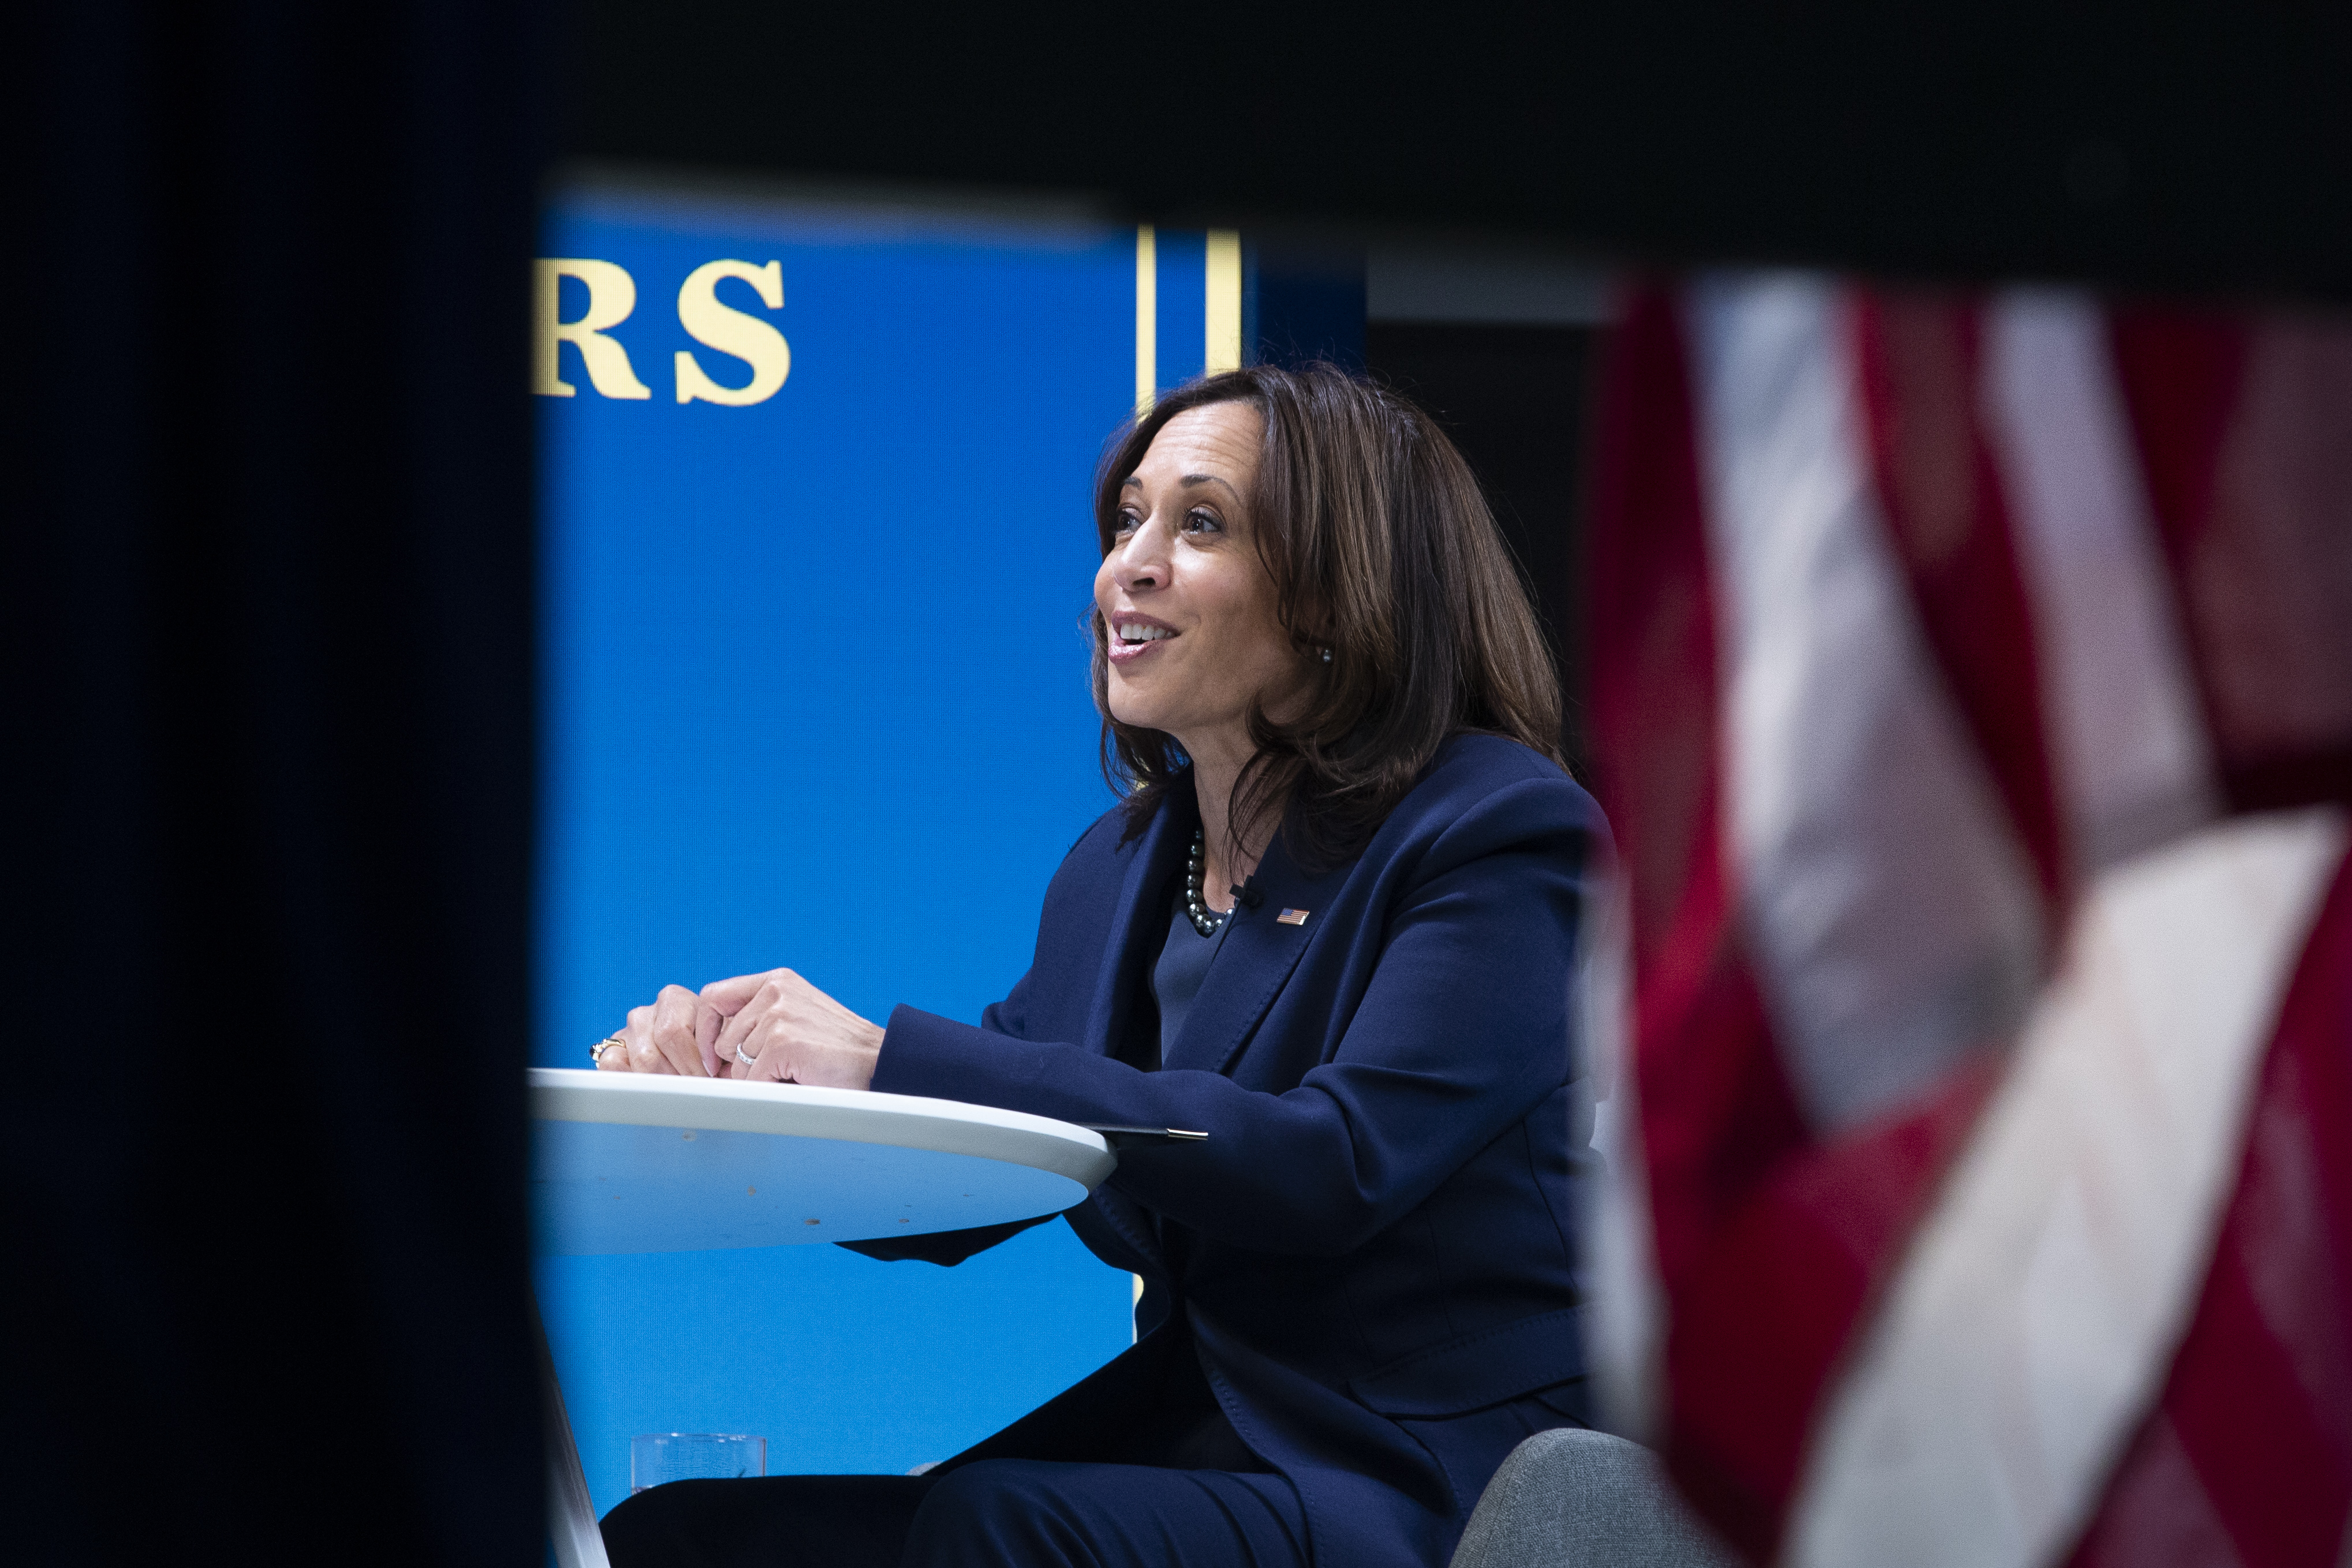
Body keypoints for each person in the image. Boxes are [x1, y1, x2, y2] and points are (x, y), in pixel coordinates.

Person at [594, 364, 1606, 1568]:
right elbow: (967, 1192)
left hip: (1422, 1472)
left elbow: (1333, 1162)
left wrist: (886, 1055)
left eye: (1201, 522)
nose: (1129, 564)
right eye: (1127, 520)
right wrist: (745, 1088)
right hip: (1195, 1439)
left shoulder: (1497, 830)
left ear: (1343, 590)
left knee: (994, 1527)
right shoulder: (1123, 862)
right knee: (682, 1534)